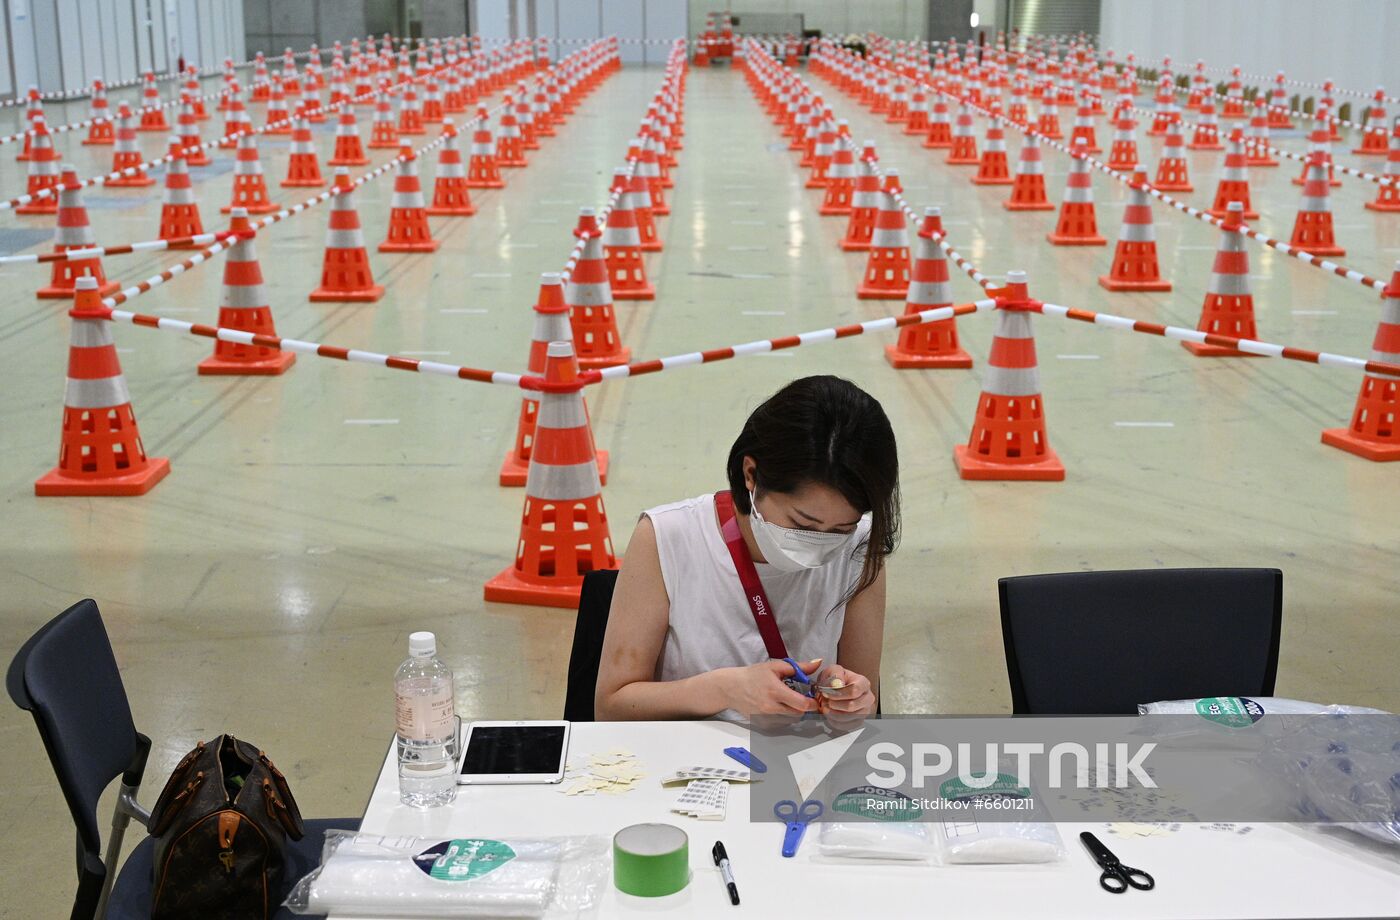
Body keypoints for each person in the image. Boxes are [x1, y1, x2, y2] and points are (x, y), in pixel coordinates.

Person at [595, 375, 900, 721]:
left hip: (804, 753)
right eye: (802, 525)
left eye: (840, 530)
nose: (818, 546)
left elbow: (865, 705)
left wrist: (849, 699)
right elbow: (611, 707)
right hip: (685, 751)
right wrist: (725, 690)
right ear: (751, 474)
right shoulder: (667, 537)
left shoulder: (860, 546)